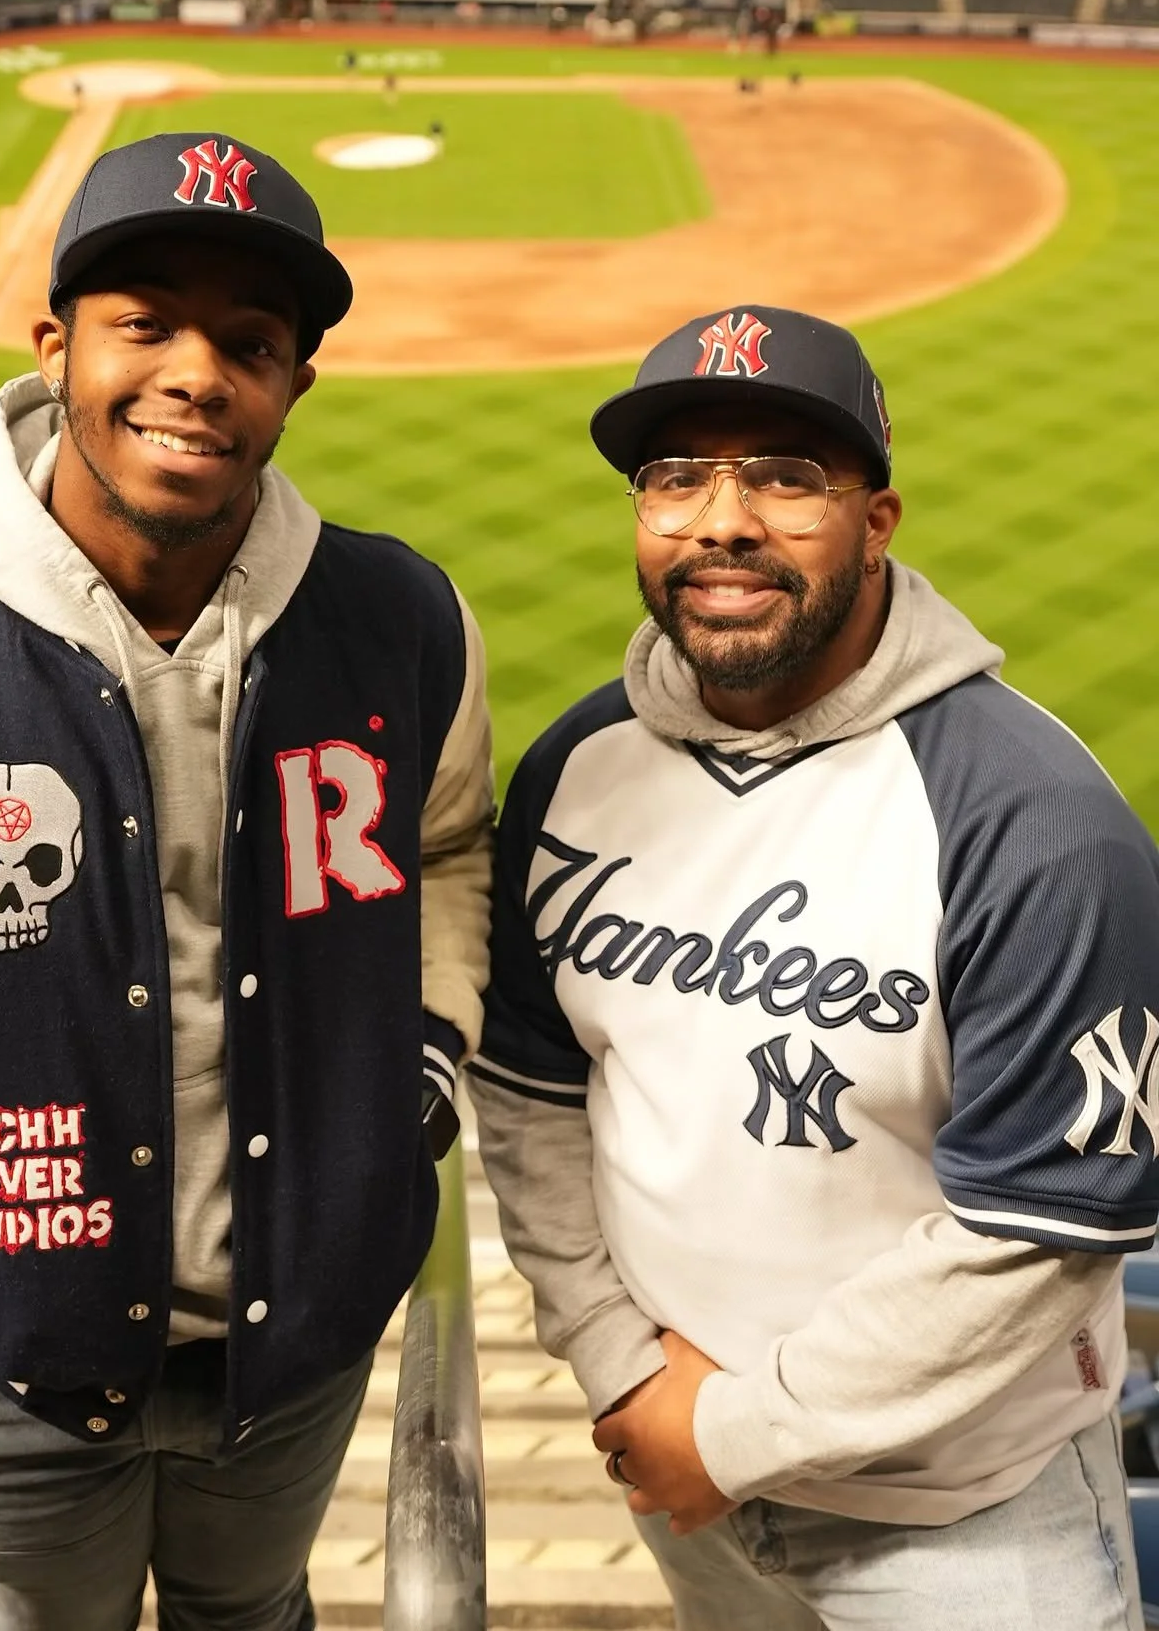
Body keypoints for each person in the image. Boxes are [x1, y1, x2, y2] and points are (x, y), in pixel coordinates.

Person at [0, 131, 494, 1630]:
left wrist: (420, 1071)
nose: (197, 373)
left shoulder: (404, 623)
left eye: (249, 342)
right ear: (56, 345)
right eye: (145, 322)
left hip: (300, 1345)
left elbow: (450, 847)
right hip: (2, 1358)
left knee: (253, 1612)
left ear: (295, 382)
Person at [470, 303, 1154, 1630]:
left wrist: (731, 1433)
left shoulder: (1035, 827)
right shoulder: (575, 771)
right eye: (677, 477)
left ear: (877, 520)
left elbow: (1043, 1227)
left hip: (968, 1515)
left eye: (786, 478)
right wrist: (623, 1373)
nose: (722, 521)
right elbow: (534, 1099)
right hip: (676, 1469)